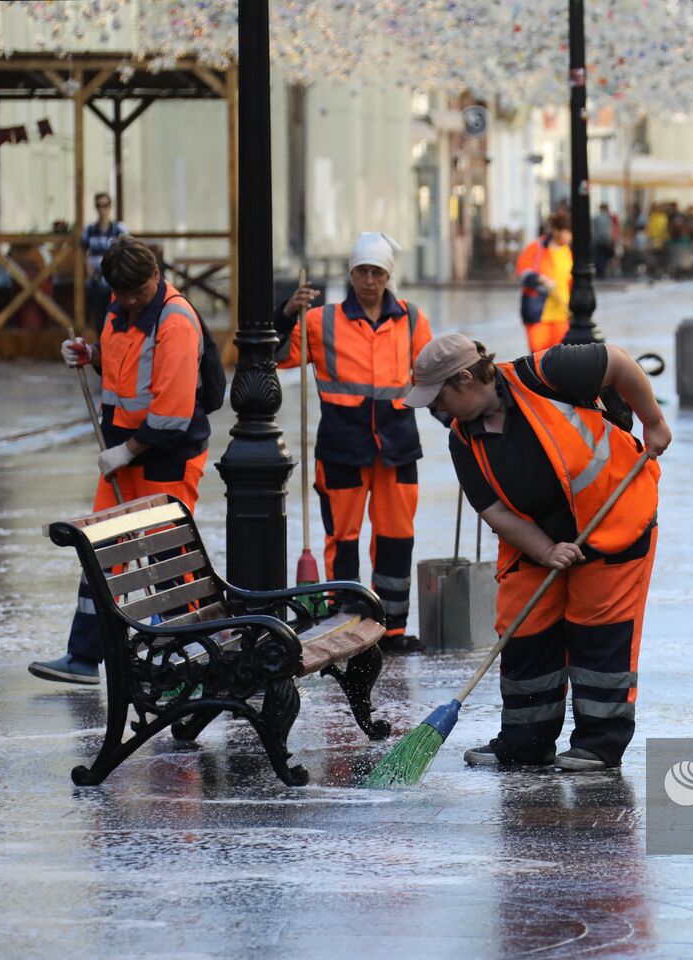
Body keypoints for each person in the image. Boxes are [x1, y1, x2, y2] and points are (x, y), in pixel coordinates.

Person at [407, 334, 669, 772]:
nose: (439, 409)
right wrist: (546, 550)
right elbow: (493, 510)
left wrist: (654, 421)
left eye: (440, 397)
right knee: (524, 632)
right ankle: (525, 742)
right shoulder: (462, 438)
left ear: (467, 378)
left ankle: (598, 745)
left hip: (613, 518)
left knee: (599, 633)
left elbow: (620, 363)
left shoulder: (544, 373)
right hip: (535, 538)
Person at [30, 236, 209, 684]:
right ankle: (86, 657)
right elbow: (123, 367)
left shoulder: (177, 322)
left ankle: (184, 663)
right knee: (101, 554)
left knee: (168, 561)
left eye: (137, 292)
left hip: (165, 457)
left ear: (155, 275)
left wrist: (125, 452)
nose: (129, 300)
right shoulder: (118, 307)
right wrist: (90, 354)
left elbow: (171, 415)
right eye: (121, 293)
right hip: (123, 454)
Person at [273, 232, 433, 652]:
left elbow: (430, 378)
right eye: (362, 271)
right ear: (351, 273)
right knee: (343, 539)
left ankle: (392, 629)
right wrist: (287, 313)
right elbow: (277, 355)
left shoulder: (413, 319)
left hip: (396, 446)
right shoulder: (320, 321)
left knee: (397, 536)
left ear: (387, 275)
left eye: (376, 272)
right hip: (343, 446)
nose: (368, 279)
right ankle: (345, 625)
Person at [514, 212, 573, 352]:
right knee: (539, 358)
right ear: (556, 231)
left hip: (562, 314)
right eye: (568, 232)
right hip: (539, 314)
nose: (570, 236)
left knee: (562, 358)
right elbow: (522, 271)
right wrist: (540, 279)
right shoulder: (537, 247)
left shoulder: (568, 251)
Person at [81, 191, 126, 329]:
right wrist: (87, 268)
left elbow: (126, 251)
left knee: (116, 316)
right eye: (99, 206)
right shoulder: (89, 230)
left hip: (114, 280)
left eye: (105, 205)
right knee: (99, 319)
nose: (102, 209)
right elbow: (82, 251)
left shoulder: (119, 229)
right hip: (95, 280)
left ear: (110, 207)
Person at [592, 203, 615, 278]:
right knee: (605, 257)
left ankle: (600, 272)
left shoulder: (596, 218)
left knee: (599, 257)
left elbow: (594, 230)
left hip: (598, 240)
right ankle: (604, 272)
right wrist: (611, 239)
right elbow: (610, 230)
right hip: (606, 240)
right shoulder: (608, 218)